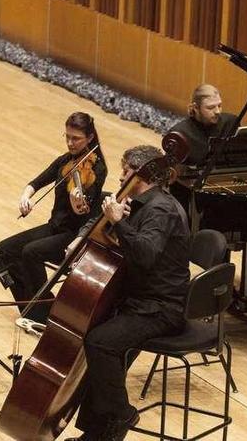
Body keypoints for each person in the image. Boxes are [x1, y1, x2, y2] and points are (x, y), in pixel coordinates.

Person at [63, 144, 191, 441]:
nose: (121, 178)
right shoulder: (143, 202)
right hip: (138, 299)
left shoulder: (160, 209)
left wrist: (121, 222)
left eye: (125, 171)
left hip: (160, 307)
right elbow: (113, 237)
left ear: (141, 173)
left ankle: (121, 414)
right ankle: (96, 434)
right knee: (98, 335)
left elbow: (144, 254)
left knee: (101, 343)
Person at [0, 111, 107, 323]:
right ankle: (28, 306)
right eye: (67, 136)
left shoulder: (98, 168)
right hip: (54, 227)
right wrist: (26, 197)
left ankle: (44, 311)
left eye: (76, 138)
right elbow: (37, 182)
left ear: (90, 138)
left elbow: (84, 212)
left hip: (74, 235)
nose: (70, 143)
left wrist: (77, 203)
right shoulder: (66, 161)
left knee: (31, 252)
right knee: (3, 250)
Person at [169, 84, 237, 166]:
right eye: (211, 108)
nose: (217, 111)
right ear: (196, 107)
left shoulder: (230, 123)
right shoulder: (179, 134)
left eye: (219, 106)